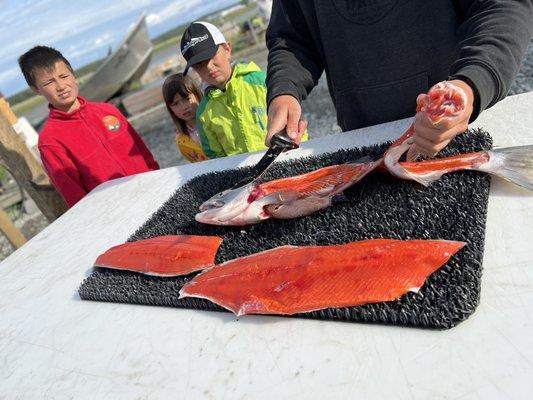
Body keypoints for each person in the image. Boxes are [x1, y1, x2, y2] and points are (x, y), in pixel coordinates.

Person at [265, 1, 533, 159]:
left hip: (464, 124)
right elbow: (291, 38)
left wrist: (473, 83)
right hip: (365, 145)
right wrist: (284, 90)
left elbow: (500, 6)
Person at [18, 46, 159, 207]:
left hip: (154, 191)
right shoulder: (50, 141)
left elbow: (144, 153)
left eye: (64, 76)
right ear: (36, 89)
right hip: (117, 212)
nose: (61, 86)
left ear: (73, 74)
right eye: (49, 82)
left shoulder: (108, 110)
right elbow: (75, 197)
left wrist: (159, 178)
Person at [180, 21, 307, 159]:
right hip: (247, 177)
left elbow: (294, 123)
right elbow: (215, 156)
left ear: (227, 49)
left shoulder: (264, 82)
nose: (209, 67)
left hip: (287, 159)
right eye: (199, 64)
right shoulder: (204, 113)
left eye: (211, 56)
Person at [162, 73, 207, 162]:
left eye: (187, 99)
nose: (183, 107)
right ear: (170, 108)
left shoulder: (215, 120)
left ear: (197, 94)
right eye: (175, 104)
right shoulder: (182, 141)